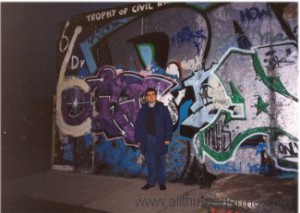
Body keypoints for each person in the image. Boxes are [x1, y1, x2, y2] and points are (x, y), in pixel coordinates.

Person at [135, 88, 173, 190]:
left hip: (160, 138)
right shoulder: (143, 110)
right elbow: (138, 125)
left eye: (153, 94)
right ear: (146, 97)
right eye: (149, 95)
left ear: (156, 96)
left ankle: (161, 182)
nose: (151, 96)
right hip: (147, 138)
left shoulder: (162, 108)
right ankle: (151, 182)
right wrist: (138, 139)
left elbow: (168, 123)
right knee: (150, 161)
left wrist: (167, 138)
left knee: (160, 160)